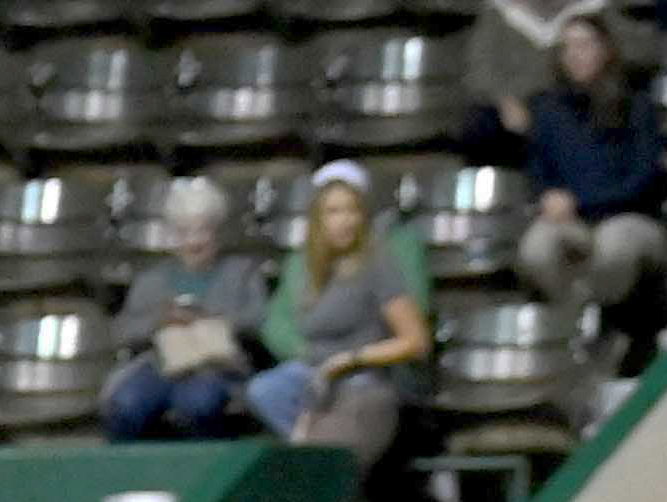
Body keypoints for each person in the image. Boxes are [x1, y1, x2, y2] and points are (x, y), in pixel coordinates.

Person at [248, 162, 435, 473]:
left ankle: (317, 453)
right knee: (265, 390)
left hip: (363, 378)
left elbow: (416, 342)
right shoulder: (308, 270)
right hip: (315, 376)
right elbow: (279, 325)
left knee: (327, 455)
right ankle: (306, 443)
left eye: (352, 211)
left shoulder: (379, 263)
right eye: (333, 212)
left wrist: (351, 358)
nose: (344, 221)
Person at [523, 11, 667, 355]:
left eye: (584, 44)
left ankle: (613, 330)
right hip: (574, 220)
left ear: (605, 49)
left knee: (612, 249)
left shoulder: (636, 104)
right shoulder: (548, 111)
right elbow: (538, 173)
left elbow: (644, 179)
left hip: (630, 217)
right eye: (568, 47)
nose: (575, 54)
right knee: (536, 249)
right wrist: (548, 197)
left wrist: (580, 201)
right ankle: (571, 328)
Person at [100, 175, 273, 445]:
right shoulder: (151, 280)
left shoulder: (242, 273)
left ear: (217, 231)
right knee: (126, 403)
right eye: (184, 232)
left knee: (197, 403)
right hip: (161, 364)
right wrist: (160, 320)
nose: (194, 242)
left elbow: (259, 318)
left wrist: (215, 320)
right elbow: (123, 330)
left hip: (217, 365)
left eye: (203, 230)